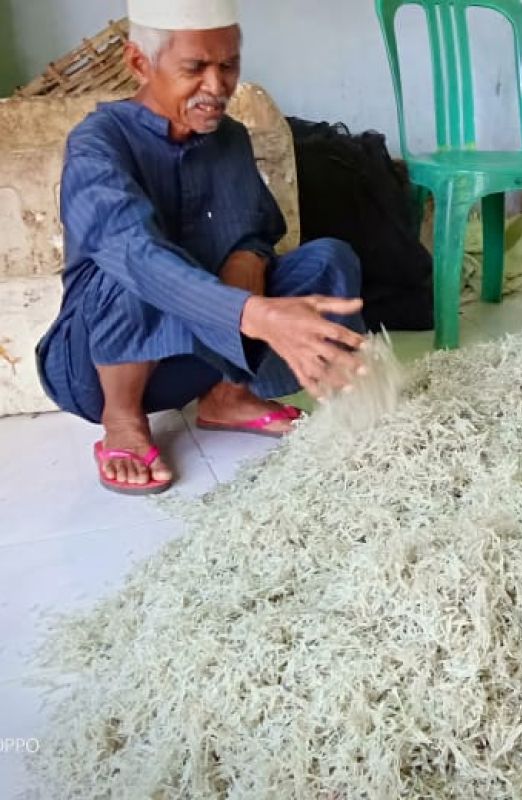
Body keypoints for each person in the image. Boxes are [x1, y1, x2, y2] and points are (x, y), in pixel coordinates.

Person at [36, 0, 366, 496]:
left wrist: (245, 266)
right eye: (195, 68)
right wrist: (257, 318)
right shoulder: (98, 142)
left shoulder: (228, 137)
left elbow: (255, 231)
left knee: (329, 259)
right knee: (133, 264)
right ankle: (122, 423)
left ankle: (226, 396)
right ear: (139, 63)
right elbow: (133, 255)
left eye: (228, 65)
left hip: (197, 349)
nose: (217, 86)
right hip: (96, 362)